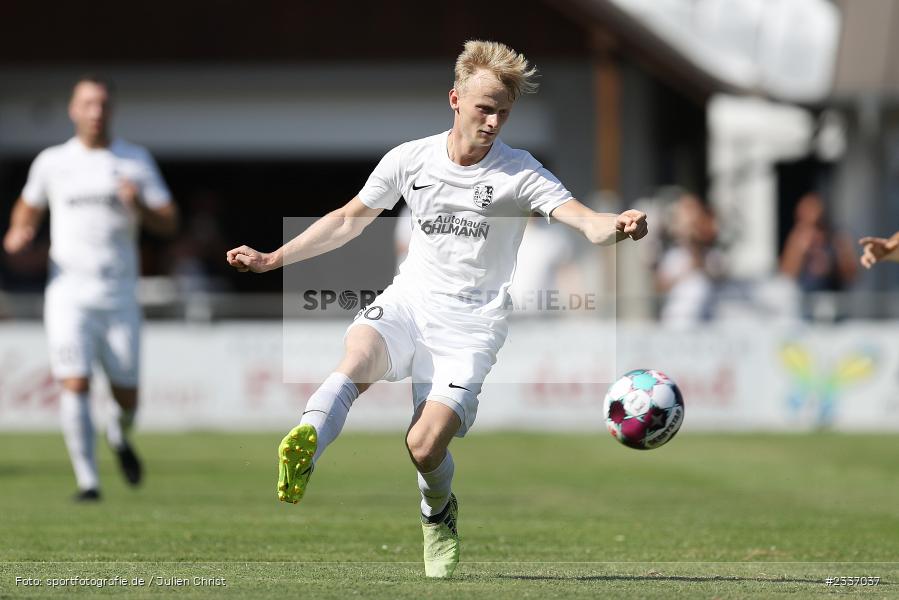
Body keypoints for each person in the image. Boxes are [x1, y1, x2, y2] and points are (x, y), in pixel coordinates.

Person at [226, 40, 647, 578]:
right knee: (356, 356)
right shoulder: (410, 159)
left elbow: (584, 220)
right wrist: (272, 259)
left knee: (423, 446)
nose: (493, 121)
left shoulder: (519, 173)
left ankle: (437, 512)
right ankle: (306, 438)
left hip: (472, 324)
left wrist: (617, 225)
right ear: (455, 99)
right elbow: (348, 219)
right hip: (407, 302)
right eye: (483, 108)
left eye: (503, 111)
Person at [2, 76, 178, 501]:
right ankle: (88, 481)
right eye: (87, 104)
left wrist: (137, 204)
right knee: (74, 383)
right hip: (68, 295)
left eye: (102, 104)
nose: (95, 112)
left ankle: (119, 433)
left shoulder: (134, 160)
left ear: (111, 110)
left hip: (119, 297)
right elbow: (28, 204)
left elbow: (169, 222)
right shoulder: (53, 161)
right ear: (73, 110)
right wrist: (17, 231)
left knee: (127, 399)